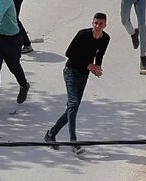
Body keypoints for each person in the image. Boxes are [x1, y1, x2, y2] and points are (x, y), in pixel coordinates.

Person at [44, 13, 110, 155]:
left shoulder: (105, 38)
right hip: (71, 71)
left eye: (101, 24)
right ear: (92, 23)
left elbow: (100, 55)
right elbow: (69, 53)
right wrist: (88, 65)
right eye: (96, 23)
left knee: (72, 108)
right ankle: (74, 142)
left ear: (105, 25)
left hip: (84, 75)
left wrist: (97, 67)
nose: (98, 26)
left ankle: (51, 134)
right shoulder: (82, 35)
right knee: (73, 105)